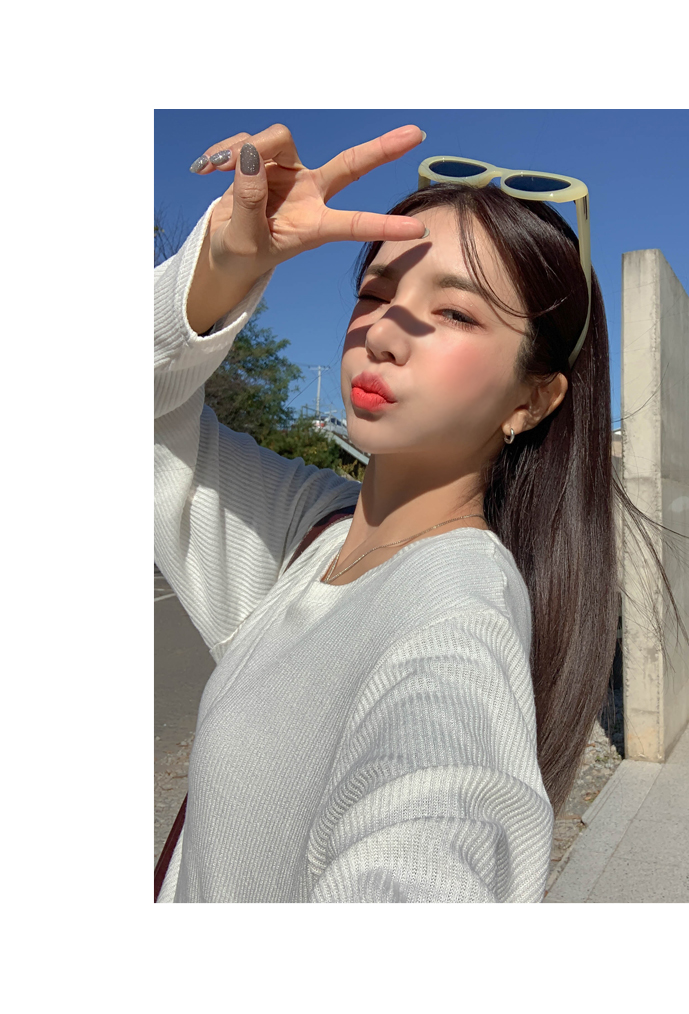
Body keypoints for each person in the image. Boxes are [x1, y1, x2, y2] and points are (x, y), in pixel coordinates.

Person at [154, 123, 618, 903]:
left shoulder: (458, 621)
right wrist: (223, 265)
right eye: (375, 294)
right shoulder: (314, 529)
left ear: (533, 399)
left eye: (456, 313)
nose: (386, 332)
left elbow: (430, 837)